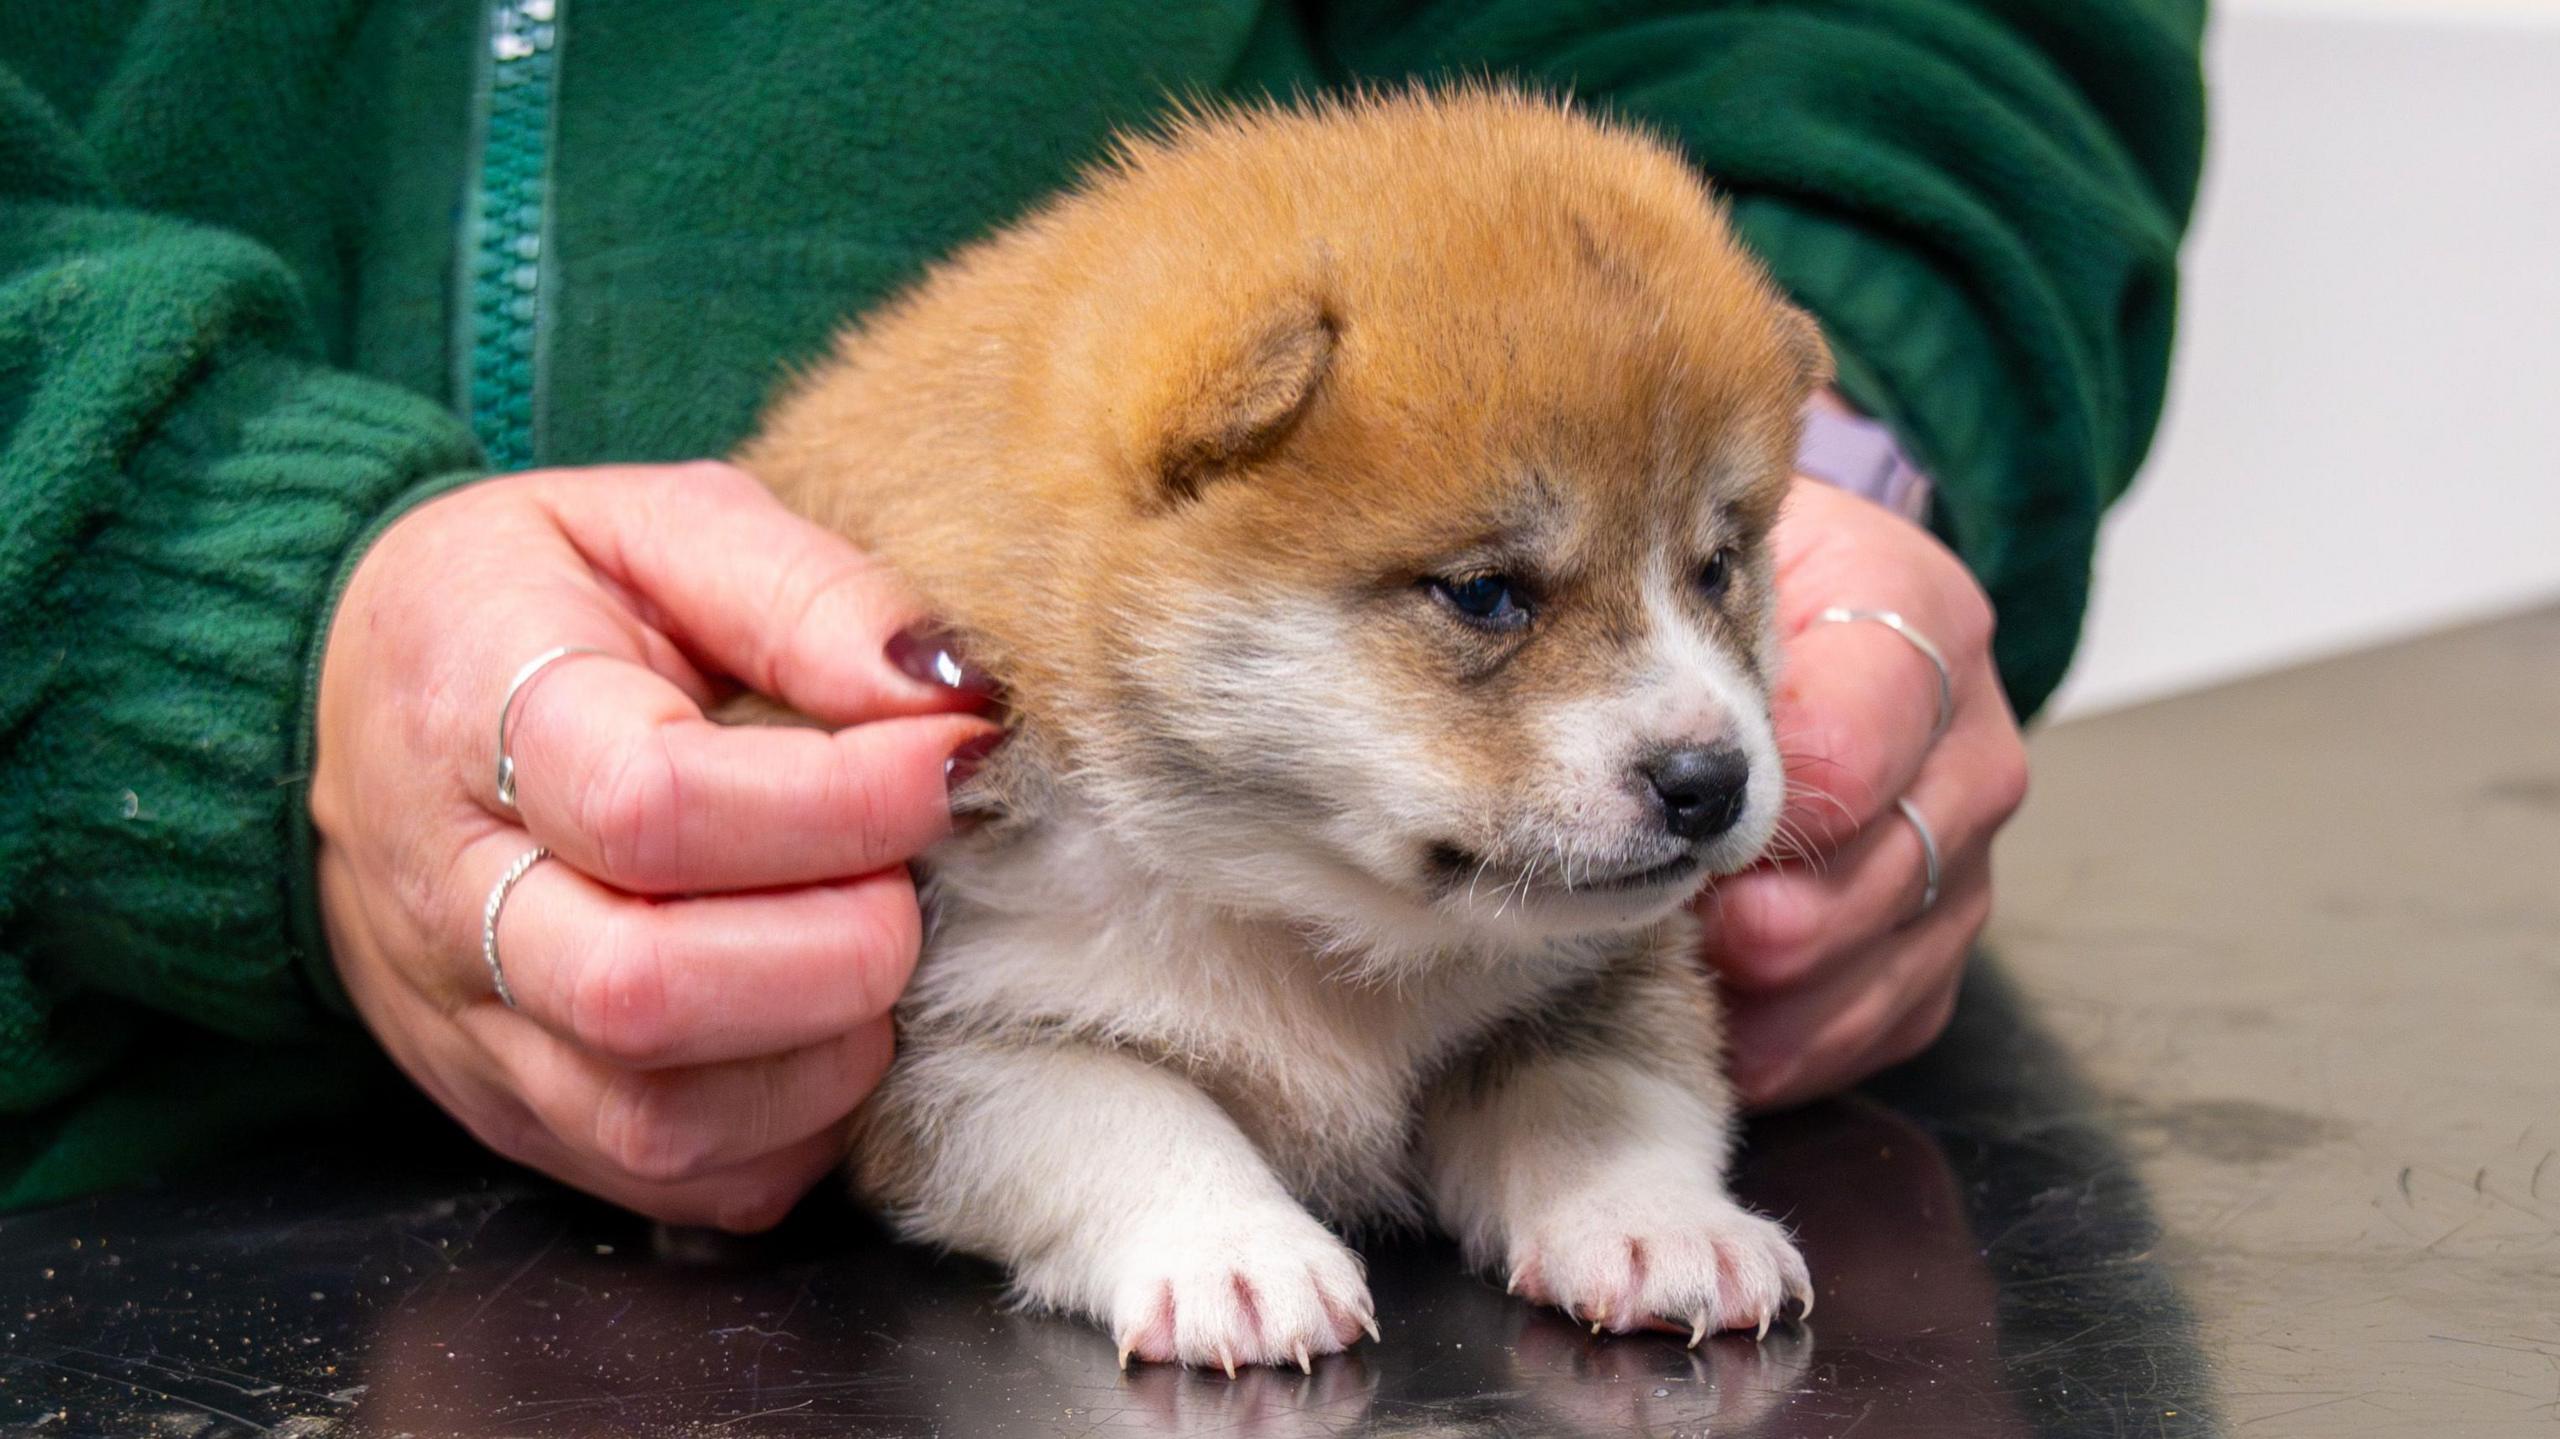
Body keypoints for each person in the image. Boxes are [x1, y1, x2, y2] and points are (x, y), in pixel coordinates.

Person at [0, 2, 2205, 1219]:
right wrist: (164, 576)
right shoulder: (1207, 454)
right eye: (1485, 602)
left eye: (1707, 580)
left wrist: (1834, 434)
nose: (1695, 708)